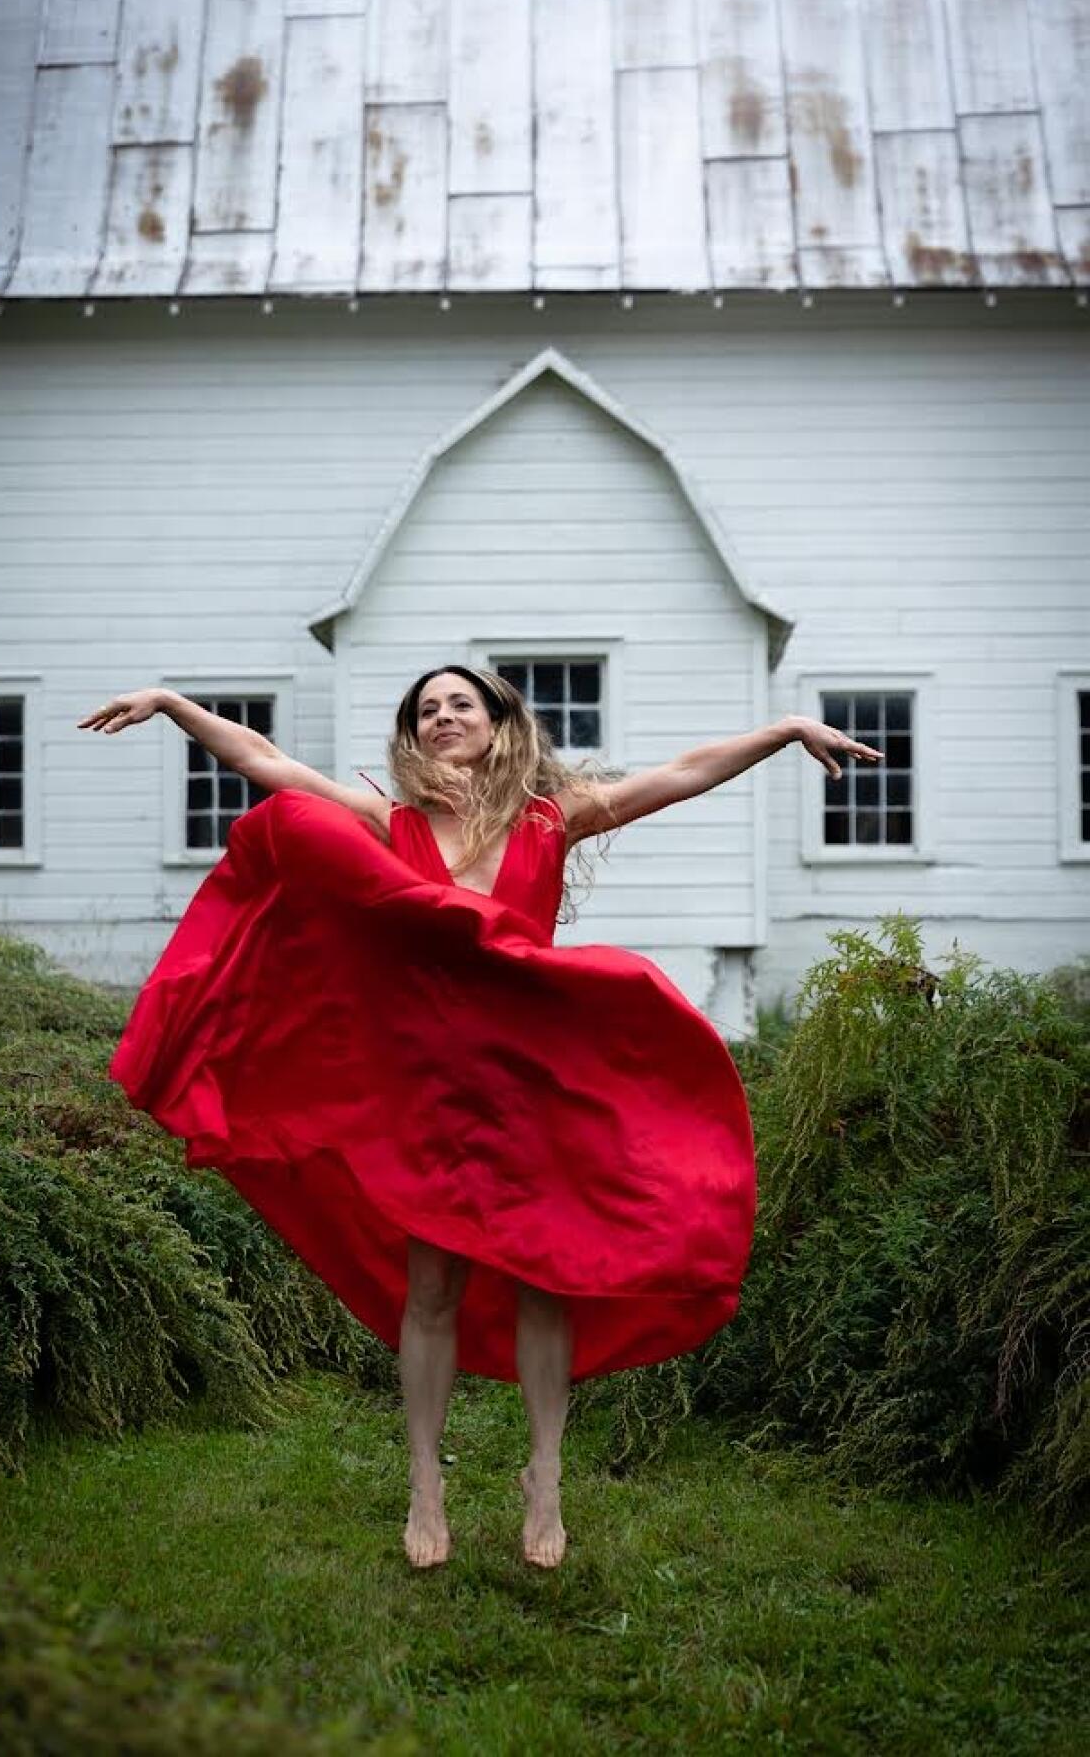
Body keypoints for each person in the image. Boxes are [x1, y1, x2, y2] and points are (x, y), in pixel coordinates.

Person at [78, 668, 882, 1570]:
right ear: (415, 739)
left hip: (535, 1085)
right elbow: (269, 764)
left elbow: (680, 772)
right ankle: (426, 1482)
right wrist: (178, 708)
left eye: (462, 703)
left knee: (547, 1276)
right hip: (433, 1092)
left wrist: (781, 730)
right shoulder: (394, 824)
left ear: (500, 725)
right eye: (427, 710)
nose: (443, 717)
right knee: (431, 1290)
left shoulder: (552, 817)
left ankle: (545, 1477)